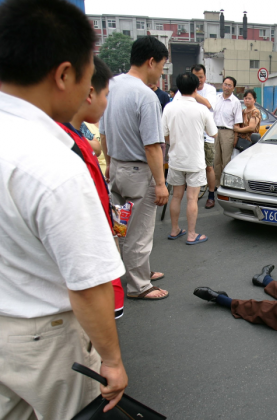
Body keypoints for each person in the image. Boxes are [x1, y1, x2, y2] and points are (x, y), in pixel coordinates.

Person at [0, 0, 129, 418]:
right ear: (64, 74)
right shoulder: (55, 164)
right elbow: (87, 285)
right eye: (89, 77)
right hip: (46, 343)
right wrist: (112, 360)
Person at [101, 36, 169, 300]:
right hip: (139, 173)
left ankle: (135, 270)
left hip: (116, 167)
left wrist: (108, 164)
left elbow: (104, 132)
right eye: (161, 67)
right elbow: (152, 146)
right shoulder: (146, 96)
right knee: (139, 231)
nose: (161, 73)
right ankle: (139, 285)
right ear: (150, 61)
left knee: (121, 227)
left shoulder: (111, 85)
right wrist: (161, 182)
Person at [58, 57, 125, 319]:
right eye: (105, 95)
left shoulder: (75, 136)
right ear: (89, 93)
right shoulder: (65, 144)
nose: (107, 103)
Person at [163, 72, 217, 245]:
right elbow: (213, 133)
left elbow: (163, 135)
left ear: (178, 88)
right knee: (192, 198)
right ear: (196, 88)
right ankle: (192, 234)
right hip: (195, 160)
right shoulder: (201, 109)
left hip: (176, 159)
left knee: (176, 197)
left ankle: (174, 230)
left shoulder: (169, 107)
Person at [174, 64, 218, 209]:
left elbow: (209, 105)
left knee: (208, 167)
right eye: (195, 77)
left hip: (206, 136)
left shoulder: (210, 89)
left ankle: (211, 195)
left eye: (201, 77)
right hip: (187, 137)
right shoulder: (180, 91)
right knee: (187, 168)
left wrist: (191, 92)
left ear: (205, 77)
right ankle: (192, 194)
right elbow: (175, 107)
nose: (199, 80)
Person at [213, 76, 243, 204]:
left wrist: (235, 138)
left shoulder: (235, 102)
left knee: (226, 160)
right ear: (222, 85)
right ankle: (216, 184)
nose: (226, 87)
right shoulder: (216, 98)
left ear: (233, 88)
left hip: (228, 132)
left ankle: (226, 185)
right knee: (216, 160)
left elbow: (237, 123)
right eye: (225, 84)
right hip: (215, 131)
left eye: (229, 85)